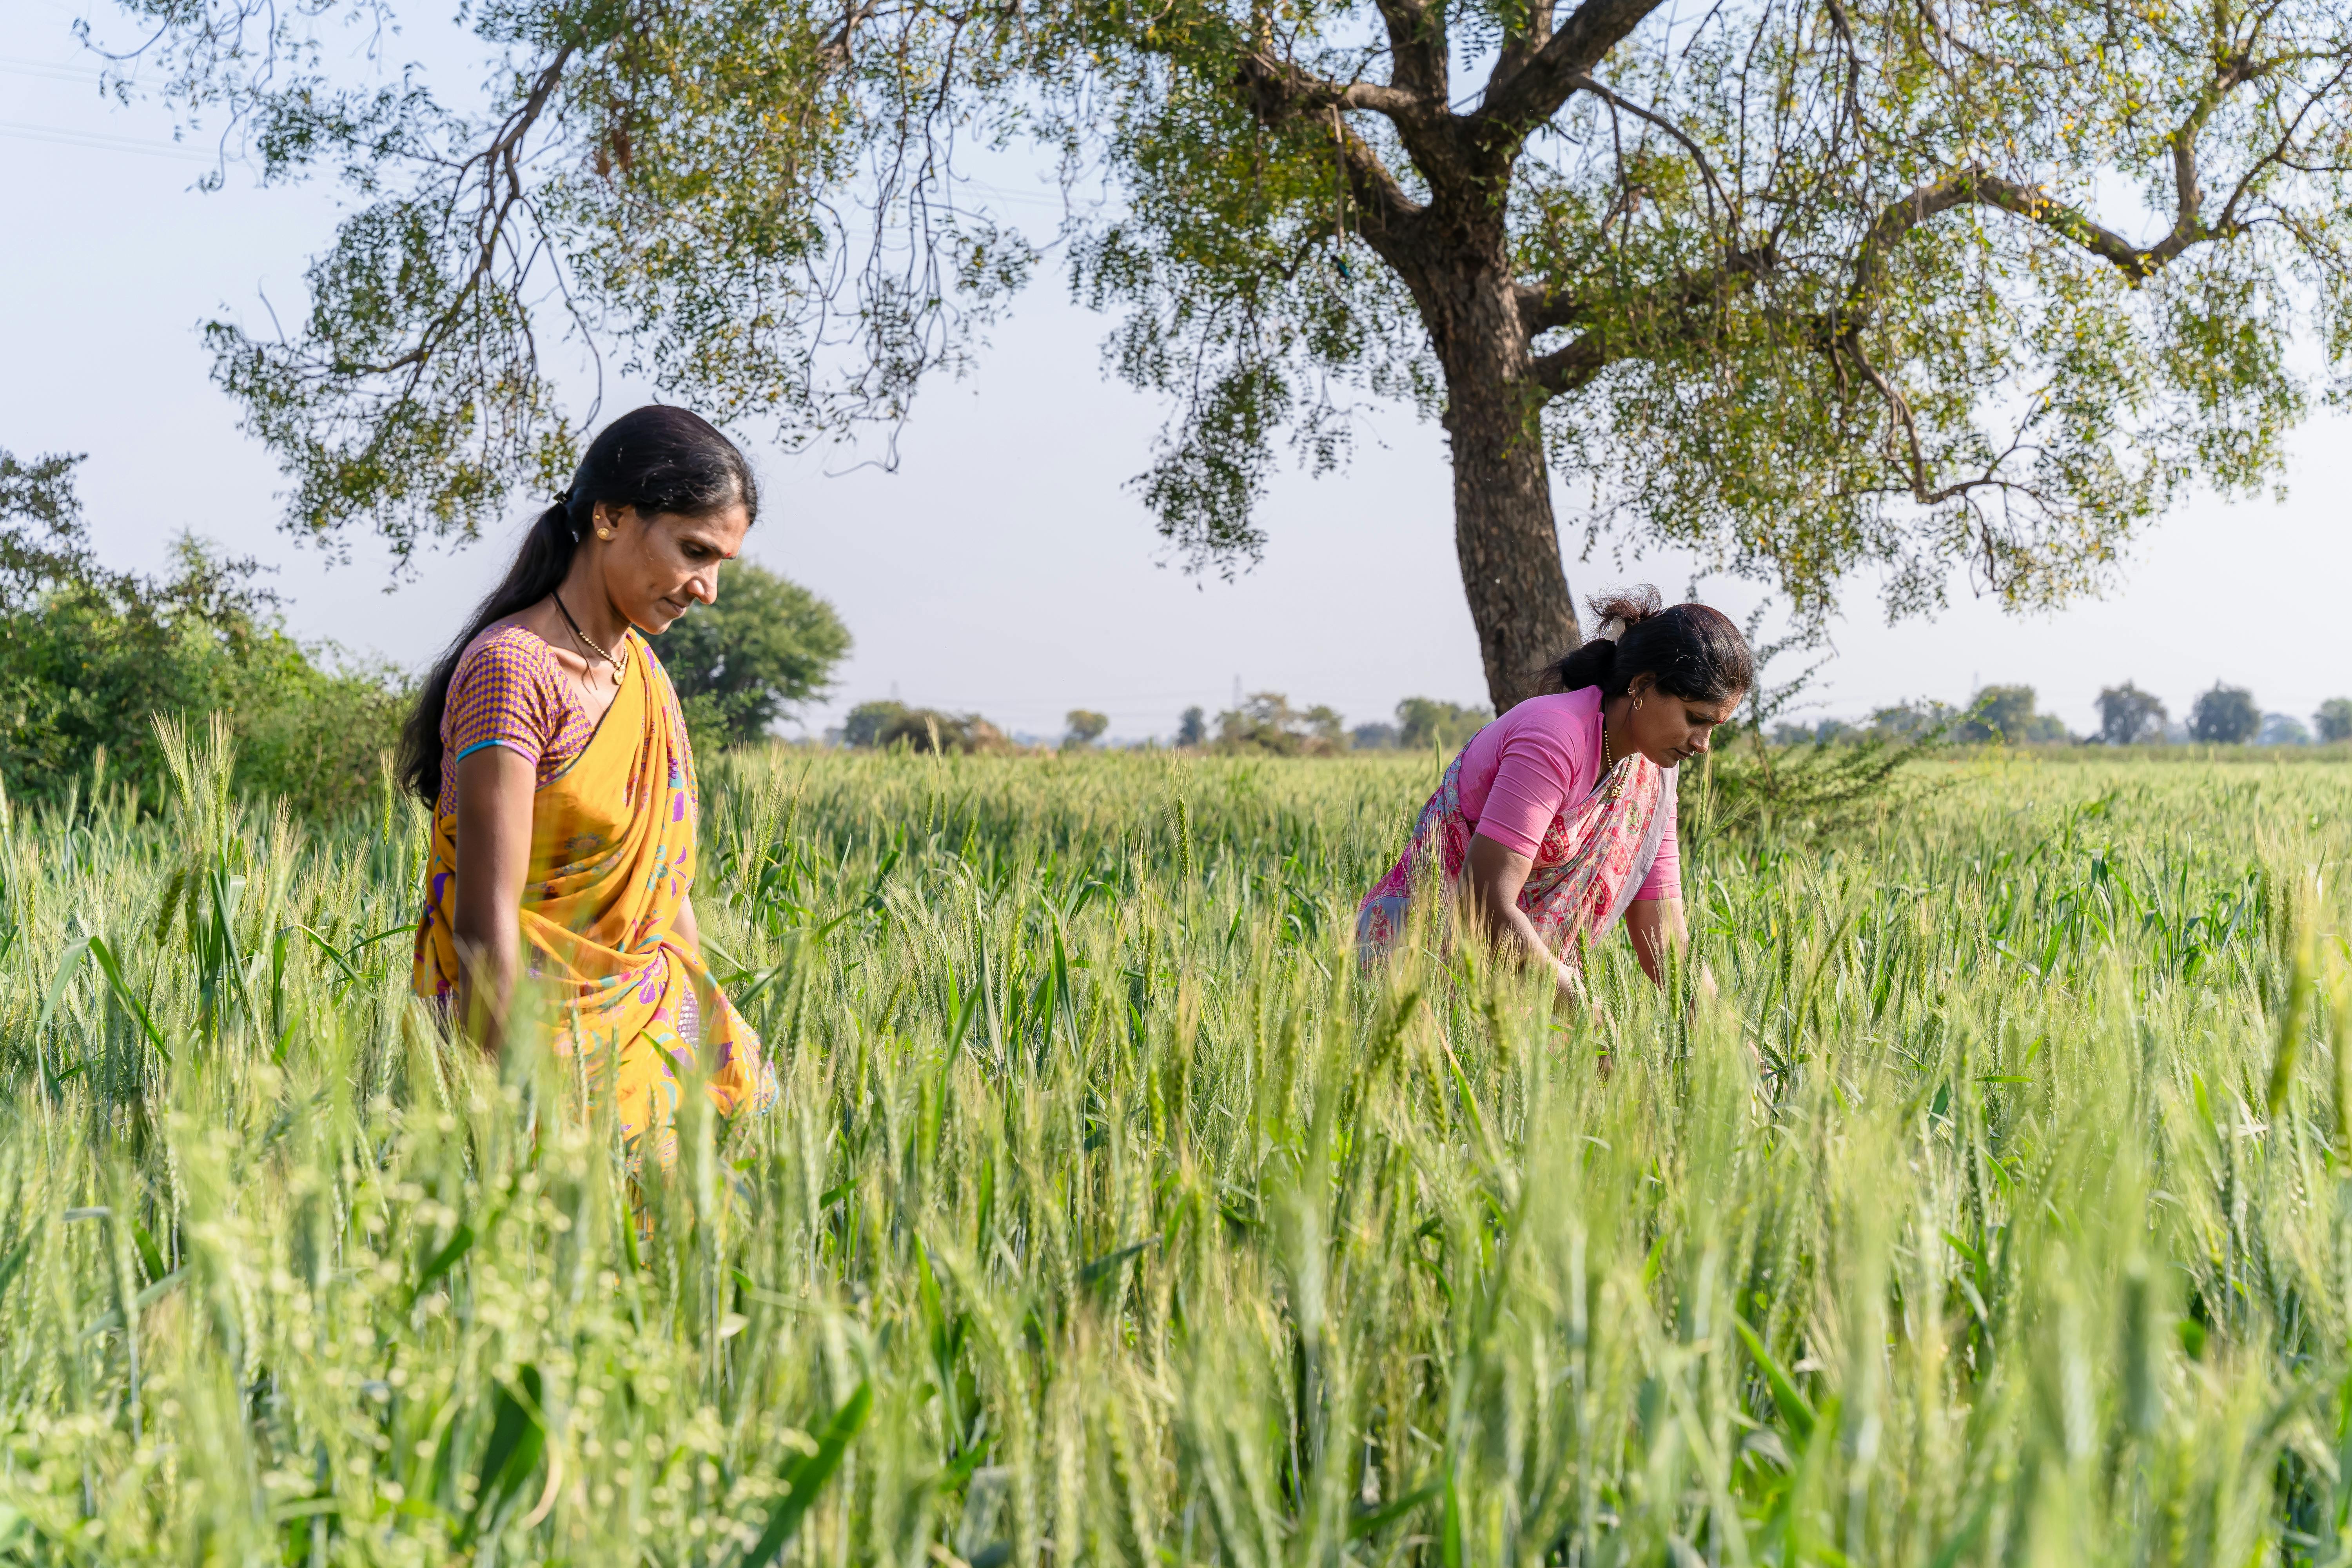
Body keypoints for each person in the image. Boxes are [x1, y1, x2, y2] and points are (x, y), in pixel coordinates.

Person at [404, 405, 777, 1168]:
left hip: (651, 1025)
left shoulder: (644, 676)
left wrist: (700, 1031)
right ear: (609, 516)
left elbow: (664, 895)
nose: (706, 588)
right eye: (694, 551)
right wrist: (516, 1107)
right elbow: (483, 928)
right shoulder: (515, 669)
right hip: (534, 1047)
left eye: (721, 564)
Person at [1357, 587, 1751, 1003]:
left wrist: (1724, 1038)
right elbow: (1484, 899)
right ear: (1643, 686)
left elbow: (1665, 936)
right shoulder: (1553, 738)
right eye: (1696, 719)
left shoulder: (1654, 779)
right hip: (1415, 973)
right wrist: (1581, 1011)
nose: (1703, 744)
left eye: (1714, 729)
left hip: (1521, 994)